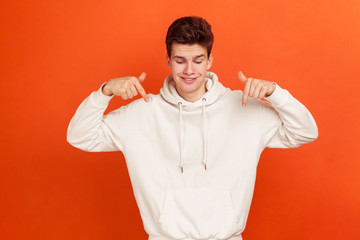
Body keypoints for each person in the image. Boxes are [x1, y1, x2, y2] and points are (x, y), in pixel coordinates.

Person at [67, 16, 318, 240]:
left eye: (198, 60)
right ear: (168, 60)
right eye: (180, 60)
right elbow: (80, 136)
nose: (189, 70)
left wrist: (275, 92)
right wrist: (105, 92)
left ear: (210, 60)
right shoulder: (141, 113)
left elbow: (305, 131)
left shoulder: (244, 108)